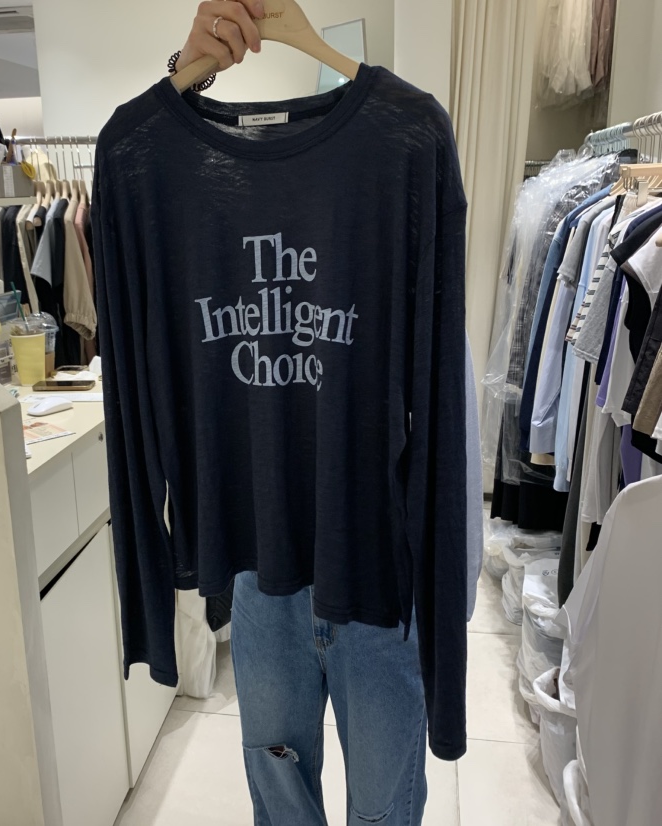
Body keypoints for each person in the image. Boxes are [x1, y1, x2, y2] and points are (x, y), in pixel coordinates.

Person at [167, 4, 444, 824]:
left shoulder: (403, 154)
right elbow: (146, 169)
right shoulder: (197, 185)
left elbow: (442, 395)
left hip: (380, 574)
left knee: (384, 808)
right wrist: (184, 76)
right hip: (266, 566)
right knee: (280, 798)